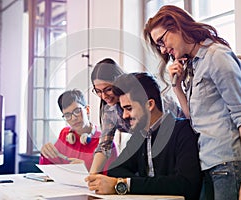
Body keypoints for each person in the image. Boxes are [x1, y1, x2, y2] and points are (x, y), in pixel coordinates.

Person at [143, 5, 241, 200]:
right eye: (158, 45)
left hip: (228, 162)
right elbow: (192, 118)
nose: (163, 49)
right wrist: (176, 86)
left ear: (176, 26)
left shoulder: (216, 56)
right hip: (208, 163)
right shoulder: (193, 64)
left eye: (162, 40)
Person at [85, 72, 202, 200]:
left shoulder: (183, 130)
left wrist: (123, 185)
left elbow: (186, 185)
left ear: (150, 105)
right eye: (123, 109)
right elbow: (116, 170)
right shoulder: (139, 136)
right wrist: (147, 183)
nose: (124, 116)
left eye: (128, 108)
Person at [90, 58, 185, 174]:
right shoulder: (110, 111)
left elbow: (178, 128)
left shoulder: (157, 102)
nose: (103, 96)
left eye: (108, 89)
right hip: (144, 143)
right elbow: (104, 147)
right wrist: (92, 176)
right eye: (98, 91)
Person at [39, 89, 117, 172]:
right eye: (67, 115)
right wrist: (46, 154)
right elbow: (51, 169)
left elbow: (113, 178)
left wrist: (86, 170)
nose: (73, 118)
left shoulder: (105, 141)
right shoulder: (65, 134)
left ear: (87, 110)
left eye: (77, 111)